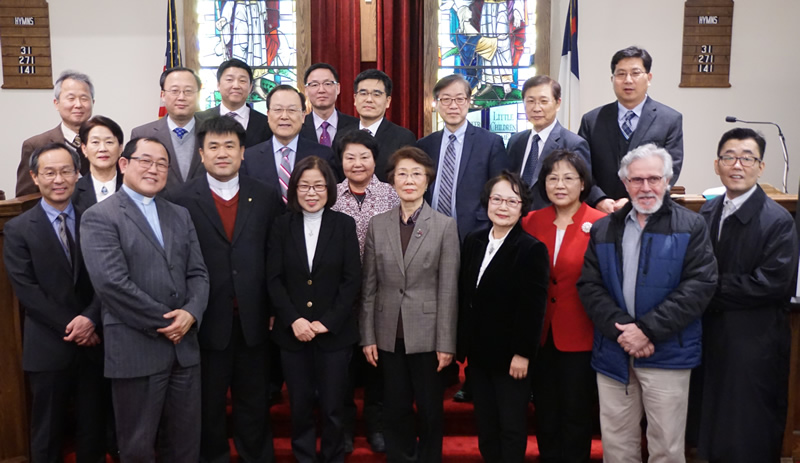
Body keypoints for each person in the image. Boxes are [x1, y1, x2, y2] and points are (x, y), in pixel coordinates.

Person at [576, 143, 716, 462]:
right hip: (615, 352)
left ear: (667, 181)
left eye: (654, 178)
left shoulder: (691, 226)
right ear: (624, 183)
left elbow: (700, 286)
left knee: (666, 448)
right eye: (637, 180)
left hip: (668, 352)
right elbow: (590, 286)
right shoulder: (603, 228)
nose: (646, 187)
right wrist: (625, 331)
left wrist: (646, 331)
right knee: (617, 447)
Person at [80, 137, 210, 462]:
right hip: (136, 349)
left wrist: (191, 313)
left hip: (184, 350)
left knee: (185, 447)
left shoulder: (180, 214)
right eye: (146, 161)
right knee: (137, 447)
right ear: (124, 164)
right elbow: (112, 284)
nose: (154, 169)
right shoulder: (100, 216)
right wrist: (168, 322)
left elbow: (198, 273)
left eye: (162, 164)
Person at [172, 116, 282, 463]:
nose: (222, 153)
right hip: (204, 320)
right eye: (214, 147)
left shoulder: (264, 195)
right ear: (201, 154)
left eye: (230, 146)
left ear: (243, 152)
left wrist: (275, 309)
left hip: (254, 319)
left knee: (254, 403)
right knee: (208, 404)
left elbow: (276, 256)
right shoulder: (180, 199)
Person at [697, 128, 798, 462]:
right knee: (711, 424)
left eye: (747, 158)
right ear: (717, 164)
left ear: (761, 167)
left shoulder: (777, 220)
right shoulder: (707, 212)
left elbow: (772, 284)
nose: (737, 165)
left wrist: (706, 289)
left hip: (754, 340)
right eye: (729, 157)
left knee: (748, 429)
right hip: (710, 335)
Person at [4, 143, 106, 462]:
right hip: (48, 346)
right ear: (35, 177)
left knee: (93, 431)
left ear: (77, 174)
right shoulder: (18, 229)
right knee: (47, 434)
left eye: (65, 171)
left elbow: (107, 278)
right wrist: (76, 327)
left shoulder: (95, 219)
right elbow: (27, 290)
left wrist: (91, 318)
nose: (58, 179)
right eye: (49, 172)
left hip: (95, 345)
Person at [360, 147, 460, 463]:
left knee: (430, 409)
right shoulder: (378, 224)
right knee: (395, 407)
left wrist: (446, 343)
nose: (409, 180)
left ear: (427, 181)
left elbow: (448, 290)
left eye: (417, 174)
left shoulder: (444, 226)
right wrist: (368, 336)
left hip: (428, 336)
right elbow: (369, 287)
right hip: (388, 333)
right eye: (402, 174)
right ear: (392, 181)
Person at [266, 156, 361, 463]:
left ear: (329, 189)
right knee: (300, 407)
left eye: (318, 186)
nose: (311, 192)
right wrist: (293, 319)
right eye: (304, 186)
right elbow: (273, 279)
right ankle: (304, 456)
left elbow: (352, 280)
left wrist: (327, 322)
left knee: (334, 407)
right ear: (294, 189)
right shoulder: (281, 226)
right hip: (292, 335)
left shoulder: (343, 225)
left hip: (334, 335)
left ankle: (334, 456)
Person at [457, 171, 548, 463]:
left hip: (511, 358)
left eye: (512, 201)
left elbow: (533, 307)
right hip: (478, 354)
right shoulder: (473, 240)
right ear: (487, 202)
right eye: (497, 199)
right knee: (486, 424)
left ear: (522, 208)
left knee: (510, 426)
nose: (503, 207)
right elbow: (465, 295)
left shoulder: (531, 249)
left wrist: (523, 353)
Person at [521, 150, 606, 462]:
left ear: (582, 183)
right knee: (545, 411)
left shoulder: (601, 224)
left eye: (569, 178)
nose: (560, 184)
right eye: (552, 178)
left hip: (582, 333)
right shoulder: (531, 222)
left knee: (576, 412)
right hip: (541, 335)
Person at [330, 129, 399, 453]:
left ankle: (377, 425)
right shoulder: (330, 195)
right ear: (341, 161)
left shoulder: (392, 195)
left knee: (378, 367)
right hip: (340, 297)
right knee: (341, 369)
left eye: (364, 157)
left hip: (382, 295)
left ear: (375, 159)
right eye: (350, 157)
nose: (357, 163)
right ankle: (343, 429)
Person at [578, 46, 684, 213]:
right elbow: (581, 168)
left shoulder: (669, 119)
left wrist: (634, 200)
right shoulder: (591, 120)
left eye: (635, 73)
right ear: (612, 79)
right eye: (621, 74)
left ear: (649, 78)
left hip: (649, 211)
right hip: (601, 211)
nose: (628, 80)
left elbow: (671, 169)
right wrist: (598, 199)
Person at [418, 73, 509, 238]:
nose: (453, 106)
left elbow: (500, 190)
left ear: (468, 102)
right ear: (436, 103)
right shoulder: (425, 145)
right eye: (446, 99)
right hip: (429, 231)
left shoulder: (490, 143)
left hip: (475, 232)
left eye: (459, 99)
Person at [241, 85, 338, 204]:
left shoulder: (322, 155)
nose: (284, 116)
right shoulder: (250, 157)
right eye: (278, 110)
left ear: (303, 116)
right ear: (268, 115)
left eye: (292, 110)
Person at [507, 76, 593, 210]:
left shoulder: (574, 144)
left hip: (553, 218)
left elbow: (582, 192)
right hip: (516, 217)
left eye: (543, 101)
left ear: (558, 103)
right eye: (530, 101)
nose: (536, 108)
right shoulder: (516, 141)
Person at [16, 70, 94, 197]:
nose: (78, 104)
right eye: (71, 98)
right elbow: (26, 199)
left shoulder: (106, 143)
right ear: (56, 103)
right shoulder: (35, 145)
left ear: (92, 103)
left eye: (84, 98)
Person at [131, 67, 205, 197]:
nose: (181, 97)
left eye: (188, 91)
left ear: (198, 95)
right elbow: (135, 181)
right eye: (174, 91)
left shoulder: (211, 132)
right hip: (158, 207)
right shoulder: (142, 134)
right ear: (163, 95)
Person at [353, 69, 416, 182]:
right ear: (355, 99)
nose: (369, 99)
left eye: (376, 94)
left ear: (388, 101)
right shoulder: (342, 135)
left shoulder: (403, 138)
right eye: (363, 93)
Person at [195, 58, 272, 147]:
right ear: (218, 85)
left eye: (242, 81)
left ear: (250, 87)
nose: (236, 86)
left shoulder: (266, 123)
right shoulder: (199, 120)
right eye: (229, 80)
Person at [72, 116, 125, 214]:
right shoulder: (73, 192)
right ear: (84, 149)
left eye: (109, 142)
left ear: (120, 148)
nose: (102, 149)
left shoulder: (132, 187)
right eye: (95, 142)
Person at [300, 63, 359, 148]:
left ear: (338, 88)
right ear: (306, 90)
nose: (321, 90)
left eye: (327, 84)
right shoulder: (298, 127)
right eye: (314, 85)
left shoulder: (356, 126)